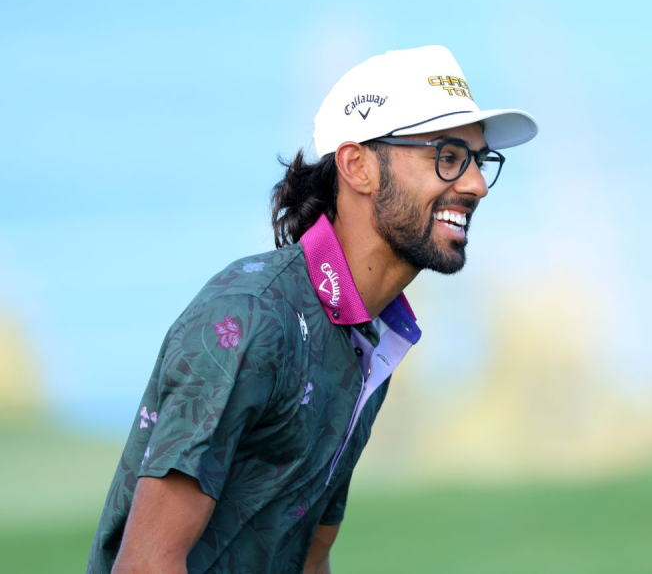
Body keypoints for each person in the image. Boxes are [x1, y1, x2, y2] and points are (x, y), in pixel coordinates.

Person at [88, 45, 538, 573]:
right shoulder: (250, 318)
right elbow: (146, 564)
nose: (476, 184)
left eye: (479, 160)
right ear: (357, 166)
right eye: (447, 155)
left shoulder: (370, 336)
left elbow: (310, 558)